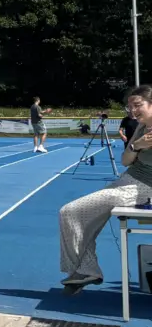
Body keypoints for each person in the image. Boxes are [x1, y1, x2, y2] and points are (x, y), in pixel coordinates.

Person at [58, 86, 152, 294]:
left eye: (138, 106)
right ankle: (85, 269)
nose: (133, 111)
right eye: (129, 107)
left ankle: (84, 270)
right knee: (76, 214)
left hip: (144, 189)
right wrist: (137, 146)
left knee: (70, 211)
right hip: (128, 180)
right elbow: (126, 160)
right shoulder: (141, 127)